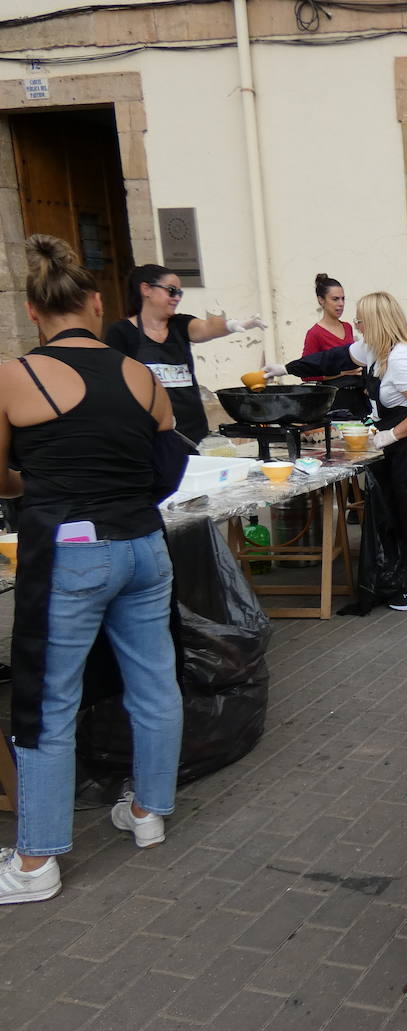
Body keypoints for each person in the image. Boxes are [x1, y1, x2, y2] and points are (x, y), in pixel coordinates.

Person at [1, 236, 186, 905]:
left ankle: (35, 859)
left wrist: (41, 485)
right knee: (155, 680)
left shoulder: (14, 374)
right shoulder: (140, 373)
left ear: (32, 308)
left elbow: (1, 475)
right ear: (98, 302)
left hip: (69, 548)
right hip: (143, 542)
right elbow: (168, 464)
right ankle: (148, 813)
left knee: (48, 699)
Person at [268, 291, 407, 611]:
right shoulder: (374, 349)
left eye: (361, 318)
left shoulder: (401, 358)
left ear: (375, 322)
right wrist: (285, 368)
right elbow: (332, 359)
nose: (355, 323)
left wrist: (391, 435)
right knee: (403, 512)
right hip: (399, 441)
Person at [105, 263, 266, 446]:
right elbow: (116, 385)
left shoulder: (180, 325)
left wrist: (232, 325)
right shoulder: (121, 332)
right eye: (172, 291)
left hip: (192, 432)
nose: (177, 298)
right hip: (149, 434)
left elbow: (207, 327)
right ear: (146, 289)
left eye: (180, 293)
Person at [301, 273, 367, 418]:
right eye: (335, 299)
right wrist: (341, 373)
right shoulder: (315, 333)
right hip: (335, 401)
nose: (341, 303)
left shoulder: (348, 327)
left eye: (343, 299)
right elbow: (306, 374)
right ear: (321, 300)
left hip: (358, 396)